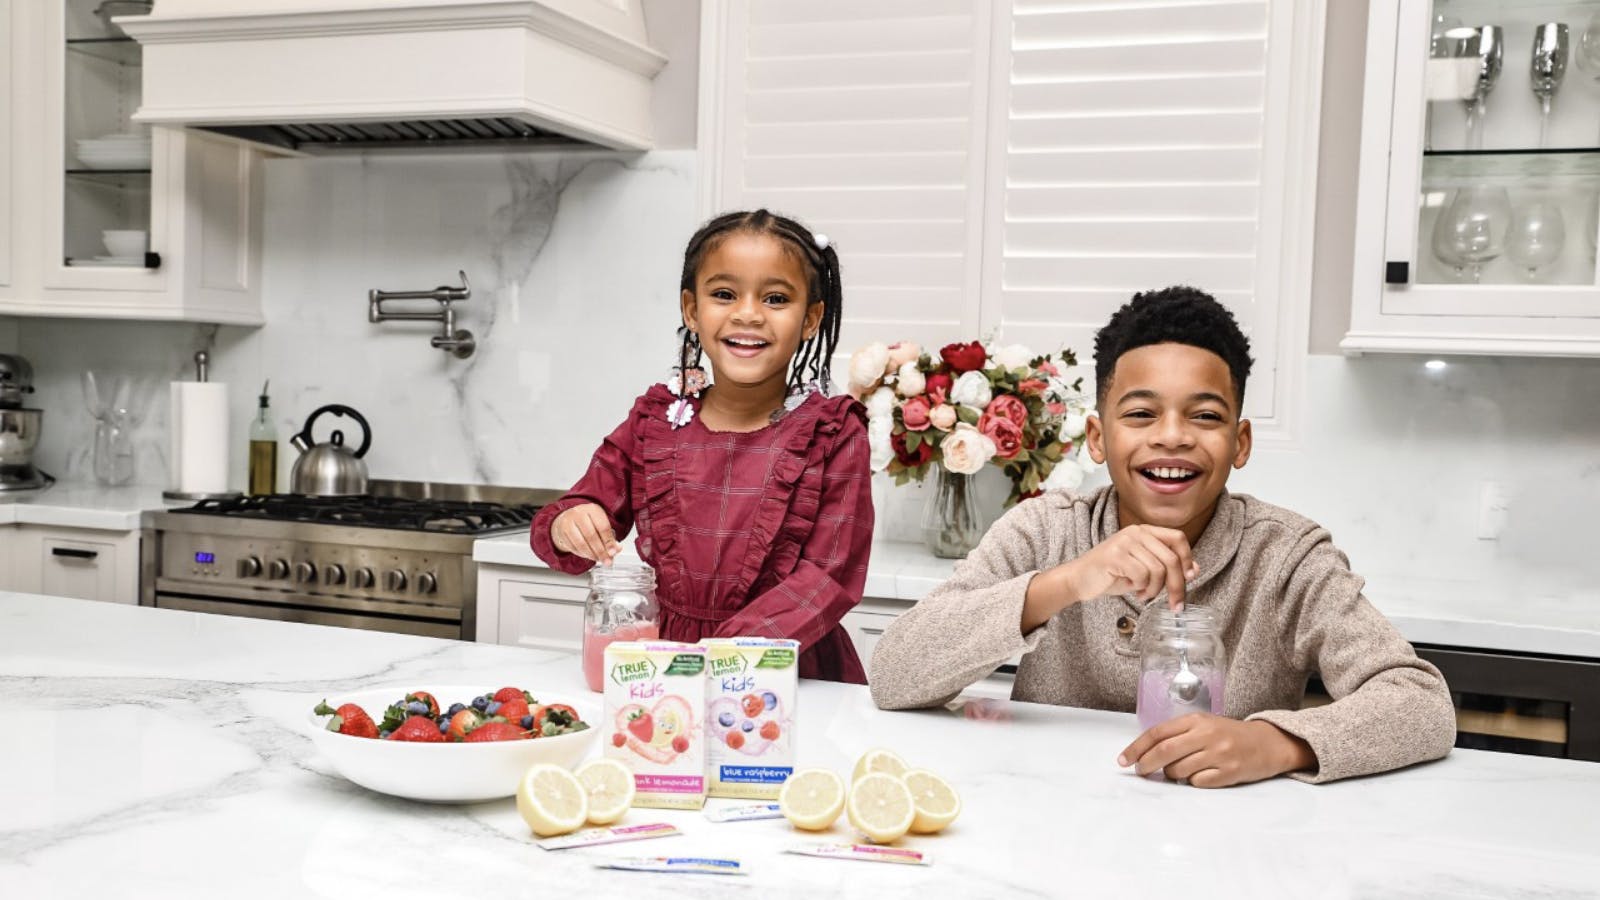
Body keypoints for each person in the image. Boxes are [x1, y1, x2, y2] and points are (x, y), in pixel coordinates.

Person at [867, 286, 1455, 784]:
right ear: (1097, 437)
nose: (1172, 437)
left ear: (1241, 442)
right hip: (1050, 826)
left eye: (1204, 416)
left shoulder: (1288, 557)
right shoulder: (1045, 529)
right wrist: (1068, 581)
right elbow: (894, 672)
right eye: (1142, 414)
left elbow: (1421, 704)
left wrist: (1276, 743)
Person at [531, 209, 874, 682]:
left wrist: (723, 656)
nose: (748, 313)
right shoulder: (654, 420)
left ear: (811, 318)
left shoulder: (834, 433)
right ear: (691, 310)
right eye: (724, 294)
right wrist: (571, 523)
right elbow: (582, 504)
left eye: (775, 298)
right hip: (667, 664)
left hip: (786, 667)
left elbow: (828, 577)